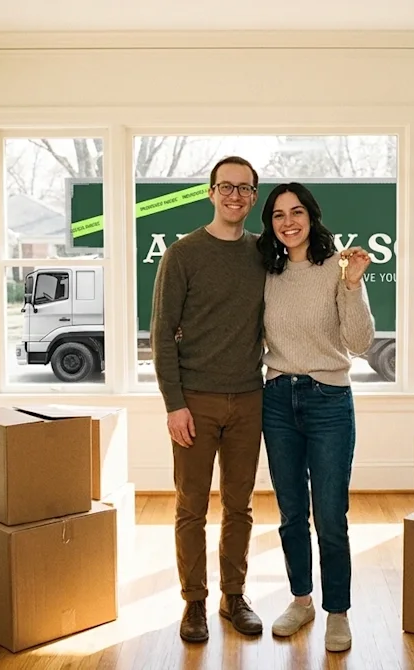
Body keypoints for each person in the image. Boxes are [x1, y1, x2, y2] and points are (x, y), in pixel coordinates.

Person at [150, 155, 268, 643]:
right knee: (191, 507)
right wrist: (173, 403)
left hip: (249, 397)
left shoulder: (264, 254)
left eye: (244, 188)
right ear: (211, 192)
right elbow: (161, 335)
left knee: (240, 506)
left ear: (254, 197)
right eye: (226, 186)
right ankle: (194, 602)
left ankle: (233, 596)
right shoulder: (182, 254)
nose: (235, 195)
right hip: (193, 401)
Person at [255, 182, 375, 653]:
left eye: (296, 211)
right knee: (290, 514)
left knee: (330, 515)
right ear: (270, 224)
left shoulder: (336, 268)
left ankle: (337, 612)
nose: (288, 221)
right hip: (277, 399)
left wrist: (353, 284)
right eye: (279, 214)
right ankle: (301, 600)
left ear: (312, 217)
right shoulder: (267, 272)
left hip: (328, 400)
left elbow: (361, 342)